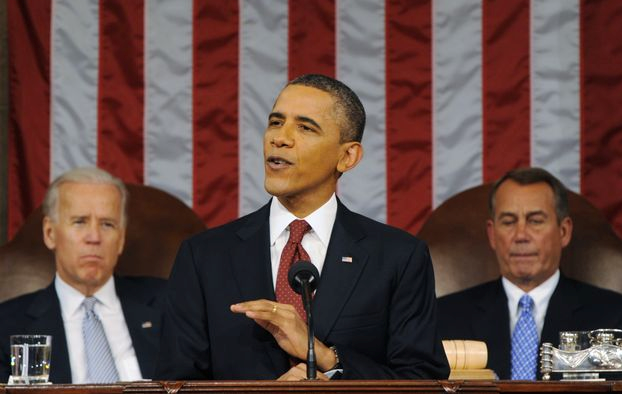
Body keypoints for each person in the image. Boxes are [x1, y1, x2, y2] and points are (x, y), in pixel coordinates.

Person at [156, 74, 449, 380]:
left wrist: (324, 356)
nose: (279, 138)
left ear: (347, 156)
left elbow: (422, 380)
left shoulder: (398, 257)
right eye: (275, 122)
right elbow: (175, 385)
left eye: (305, 127)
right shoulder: (204, 256)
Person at [437, 167, 622, 380]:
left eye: (535, 221)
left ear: (564, 231)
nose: (521, 235)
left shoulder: (613, 316)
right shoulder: (445, 318)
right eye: (508, 222)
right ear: (492, 234)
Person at [0, 167, 165, 383]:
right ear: (50, 233)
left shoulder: (169, 304)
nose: (94, 237)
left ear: (121, 239)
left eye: (107, 224)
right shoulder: (6, 324)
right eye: (79, 222)